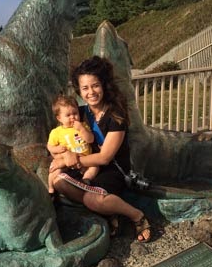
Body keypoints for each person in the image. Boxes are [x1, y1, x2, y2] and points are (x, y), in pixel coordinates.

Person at [50, 56, 152, 243]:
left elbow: (105, 157)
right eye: (85, 88)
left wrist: (70, 160)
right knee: (58, 182)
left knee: (92, 199)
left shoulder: (116, 116)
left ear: (104, 85)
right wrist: (61, 153)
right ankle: (108, 212)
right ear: (79, 90)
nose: (91, 92)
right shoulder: (80, 113)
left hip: (112, 169)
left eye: (95, 86)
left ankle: (137, 215)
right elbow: (62, 135)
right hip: (85, 166)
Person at [47, 94, 99, 194]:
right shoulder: (56, 132)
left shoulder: (83, 125)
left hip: (84, 160)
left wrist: (82, 129)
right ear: (59, 118)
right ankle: (51, 189)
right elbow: (50, 146)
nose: (73, 117)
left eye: (75, 113)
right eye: (68, 115)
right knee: (54, 170)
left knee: (95, 167)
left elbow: (91, 139)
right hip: (67, 162)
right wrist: (57, 149)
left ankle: (86, 181)